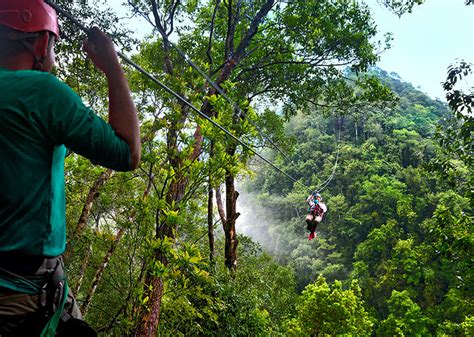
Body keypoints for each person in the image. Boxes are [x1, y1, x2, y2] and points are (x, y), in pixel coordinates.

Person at [0, 1, 141, 336]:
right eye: (53, 42)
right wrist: (111, 66)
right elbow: (127, 153)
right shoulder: (42, 92)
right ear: (38, 43)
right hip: (24, 296)